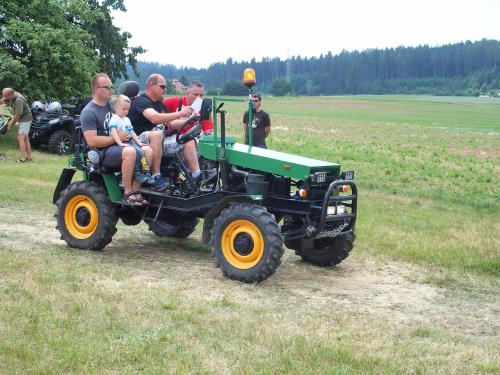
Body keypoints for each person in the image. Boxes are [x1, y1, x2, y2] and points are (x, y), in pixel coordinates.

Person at [80, 73, 152, 205]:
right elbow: (92, 141)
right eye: (107, 87)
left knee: (147, 150)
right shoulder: (89, 112)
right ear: (97, 89)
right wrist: (116, 138)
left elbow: (125, 107)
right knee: (130, 152)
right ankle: (127, 192)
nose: (111, 90)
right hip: (102, 152)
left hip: (120, 145)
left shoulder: (113, 105)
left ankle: (137, 191)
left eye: (111, 87)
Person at [128, 73, 204, 185]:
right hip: (138, 142)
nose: (165, 90)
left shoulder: (160, 104)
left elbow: (172, 124)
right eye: (162, 86)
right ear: (151, 85)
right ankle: (156, 176)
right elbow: (154, 118)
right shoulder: (142, 101)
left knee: (188, 139)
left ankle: (197, 176)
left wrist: (189, 121)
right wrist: (180, 113)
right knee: (157, 134)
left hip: (159, 141)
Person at [109, 95, 154, 185]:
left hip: (129, 141)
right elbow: (113, 133)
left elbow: (132, 132)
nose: (126, 111)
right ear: (116, 107)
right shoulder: (114, 119)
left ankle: (146, 173)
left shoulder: (127, 119)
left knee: (141, 152)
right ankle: (137, 173)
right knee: (136, 152)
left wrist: (139, 142)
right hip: (119, 143)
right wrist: (120, 143)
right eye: (123, 109)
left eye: (127, 109)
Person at [0, 87, 33, 162]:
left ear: (11, 94)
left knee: (20, 137)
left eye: (6, 96)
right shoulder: (13, 94)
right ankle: (29, 157)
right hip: (24, 118)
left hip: (25, 119)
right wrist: (2, 100)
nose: (4, 98)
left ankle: (22, 159)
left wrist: (10, 125)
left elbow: (17, 116)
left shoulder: (19, 100)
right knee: (25, 138)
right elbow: (3, 101)